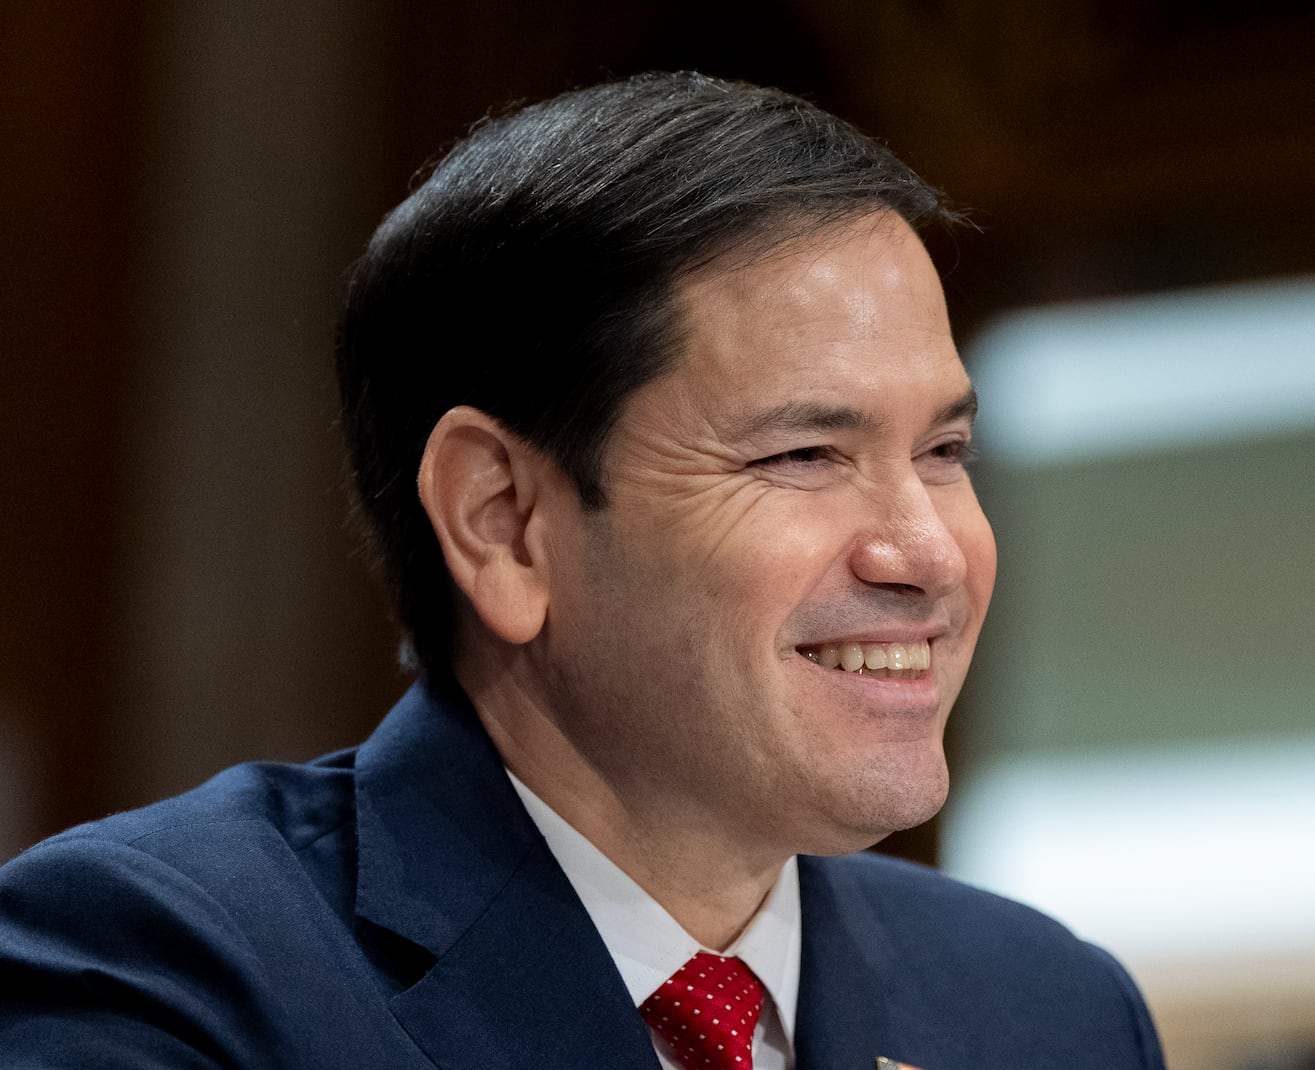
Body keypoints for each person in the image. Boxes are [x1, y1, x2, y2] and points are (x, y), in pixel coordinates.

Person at [0, 72, 1165, 1069]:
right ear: (503, 520)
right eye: (804, 453)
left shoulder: (1048, 1009)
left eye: (944, 450)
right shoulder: (159, 972)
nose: (923, 551)